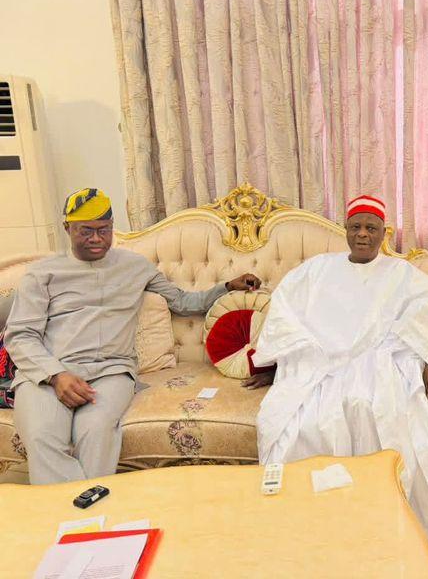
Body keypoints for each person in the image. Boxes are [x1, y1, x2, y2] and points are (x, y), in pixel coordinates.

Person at [5, 188, 261, 485]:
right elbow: (21, 335)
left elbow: (183, 303)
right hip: (47, 373)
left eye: (104, 230)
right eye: (85, 231)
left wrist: (228, 285)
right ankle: (81, 513)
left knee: (96, 431)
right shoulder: (43, 273)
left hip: (110, 371)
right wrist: (56, 375)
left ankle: (83, 515)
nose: (96, 238)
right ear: (68, 229)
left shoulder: (136, 267)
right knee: (41, 435)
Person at [249, 195, 428, 539]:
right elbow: (284, 311)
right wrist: (285, 359)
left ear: (384, 233)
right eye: (355, 227)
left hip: (381, 364)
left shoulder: (401, 273)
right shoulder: (317, 270)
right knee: (304, 421)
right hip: (321, 365)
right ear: (345, 230)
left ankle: (380, 518)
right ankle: (317, 518)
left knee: (374, 409)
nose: (363, 234)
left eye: (371, 228)